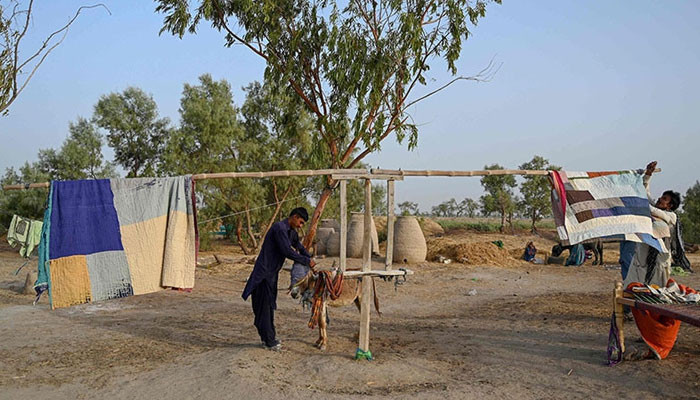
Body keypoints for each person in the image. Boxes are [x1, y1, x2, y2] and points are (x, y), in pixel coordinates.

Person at [242, 207, 316, 351]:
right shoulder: (279, 229)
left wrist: (309, 258)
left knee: (268, 305)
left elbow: (299, 247)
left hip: (272, 274)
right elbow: (287, 251)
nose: (300, 226)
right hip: (264, 273)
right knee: (264, 306)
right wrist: (307, 262)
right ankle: (269, 341)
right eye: (300, 222)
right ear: (294, 217)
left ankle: (267, 338)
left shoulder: (291, 232)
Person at [623, 161, 682, 289]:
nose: (660, 199)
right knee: (634, 286)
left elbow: (651, 208)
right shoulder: (651, 210)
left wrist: (641, 203)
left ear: (669, 206)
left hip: (660, 260)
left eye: (664, 199)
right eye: (661, 196)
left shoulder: (671, 216)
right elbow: (645, 193)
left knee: (657, 290)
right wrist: (648, 174)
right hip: (641, 258)